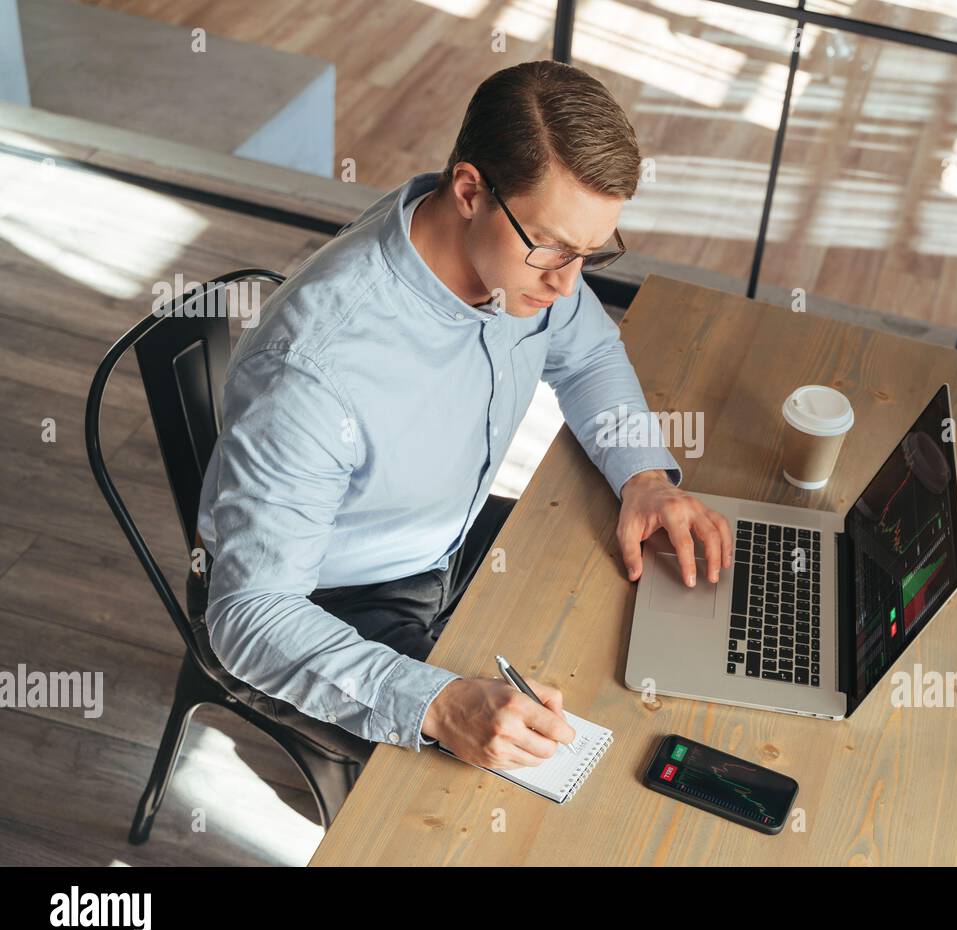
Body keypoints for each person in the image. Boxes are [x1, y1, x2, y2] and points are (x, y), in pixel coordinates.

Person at [195, 60, 733, 772]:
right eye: (553, 248)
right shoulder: (313, 368)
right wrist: (438, 704)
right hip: (330, 605)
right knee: (520, 793)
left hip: (450, 540)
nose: (569, 283)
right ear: (470, 190)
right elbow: (250, 616)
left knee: (656, 643)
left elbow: (589, 357)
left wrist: (645, 478)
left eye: (590, 254)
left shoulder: (523, 261)